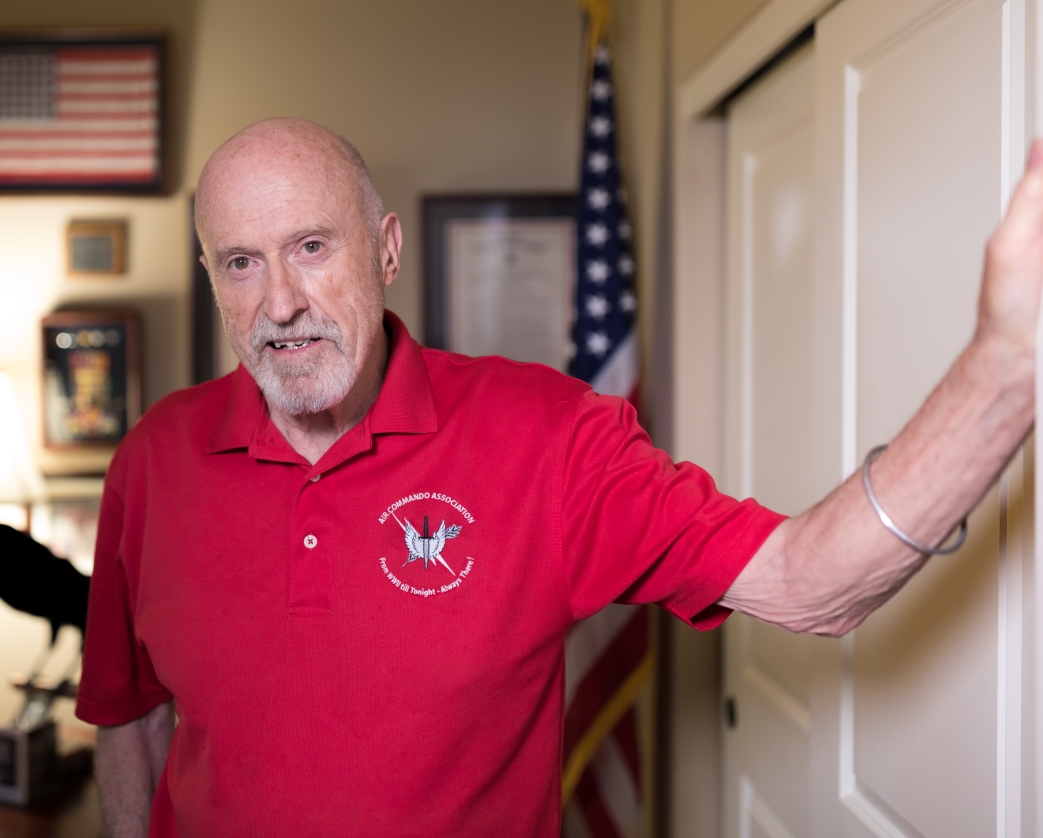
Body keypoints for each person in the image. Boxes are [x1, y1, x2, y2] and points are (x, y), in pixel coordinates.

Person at [77, 118, 1042, 837]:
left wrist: (1004, 371)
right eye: (240, 263)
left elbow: (810, 580)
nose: (280, 301)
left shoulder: (546, 436)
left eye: (312, 249)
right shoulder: (154, 460)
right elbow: (127, 719)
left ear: (385, 249)